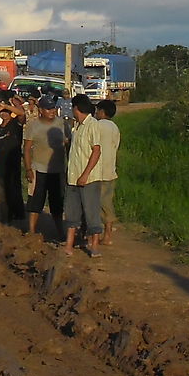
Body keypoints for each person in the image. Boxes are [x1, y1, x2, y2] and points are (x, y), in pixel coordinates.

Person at [63, 94, 105, 258]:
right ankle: (68, 244)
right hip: (73, 176)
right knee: (72, 211)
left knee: (91, 211)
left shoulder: (92, 124)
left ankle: (94, 245)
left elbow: (96, 150)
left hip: (88, 177)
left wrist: (85, 174)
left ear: (76, 108)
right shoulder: (77, 126)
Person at [24, 96, 68, 241]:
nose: (52, 111)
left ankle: (60, 232)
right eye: (48, 108)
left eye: (53, 108)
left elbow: (68, 144)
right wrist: (28, 169)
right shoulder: (33, 125)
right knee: (36, 201)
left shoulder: (62, 123)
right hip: (39, 169)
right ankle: (31, 231)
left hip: (57, 170)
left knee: (57, 202)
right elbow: (27, 148)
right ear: (41, 110)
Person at [0, 100, 27, 224]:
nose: (4, 114)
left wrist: (6, 106)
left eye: (6, 112)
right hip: (0, 165)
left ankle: (17, 215)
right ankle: (5, 217)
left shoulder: (15, 124)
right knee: (2, 193)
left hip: (13, 164)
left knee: (14, 190)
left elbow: (21, 114)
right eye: (2, 112)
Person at [95, 100, 122, 246]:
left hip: (98, 172)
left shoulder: (97, 126)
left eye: (98, 110)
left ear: (102, 111)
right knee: (107, 203)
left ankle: (101, 235)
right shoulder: (114, 127)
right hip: (110, 170)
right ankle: (108, 235)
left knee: (98, 204)